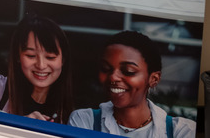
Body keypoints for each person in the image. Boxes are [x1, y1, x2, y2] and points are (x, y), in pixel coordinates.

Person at [68, 30, 196, 138]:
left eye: (128, 71)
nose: (113, 76)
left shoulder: (182, 131)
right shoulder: (84, 121)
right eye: (106, 69)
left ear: (154, 79)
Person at [0, 13, 73, 124]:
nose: (41, 65)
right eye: (31, 56)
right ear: (17, 56)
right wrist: (22, 123)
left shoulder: (76, 113)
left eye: (50, 57)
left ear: (63, 60)